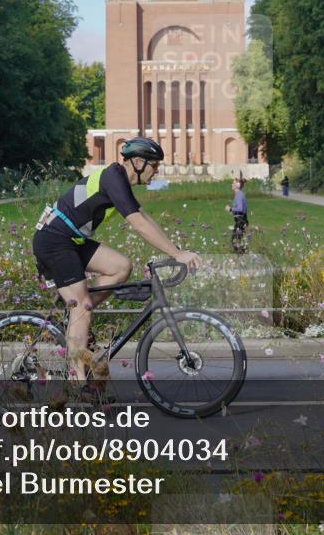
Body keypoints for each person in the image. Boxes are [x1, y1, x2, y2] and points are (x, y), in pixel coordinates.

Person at [32, 137, 202, 383]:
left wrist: (176, 250)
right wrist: (177, 256)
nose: (157, 171)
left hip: (71, 240)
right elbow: (138, 224)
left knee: (120, 267)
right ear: (139, 162)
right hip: (54, 240)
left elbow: (145, 217)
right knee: (83, 308)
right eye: (155, 166)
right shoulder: (113, 177)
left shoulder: (119, 180)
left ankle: (77, 315)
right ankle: (77, 382)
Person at [225, 179, 249, 253]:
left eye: (233, 183)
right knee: (236, 241)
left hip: (241, 221)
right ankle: (243, 256)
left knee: (235, 241)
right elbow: (240, 210)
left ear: (237, 185)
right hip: (241, 221)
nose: (231, 184)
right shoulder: (239, 194)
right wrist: (233, 212)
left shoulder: (239, 195)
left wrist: (230, 209)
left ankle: (243, 257)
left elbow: (240, 208)